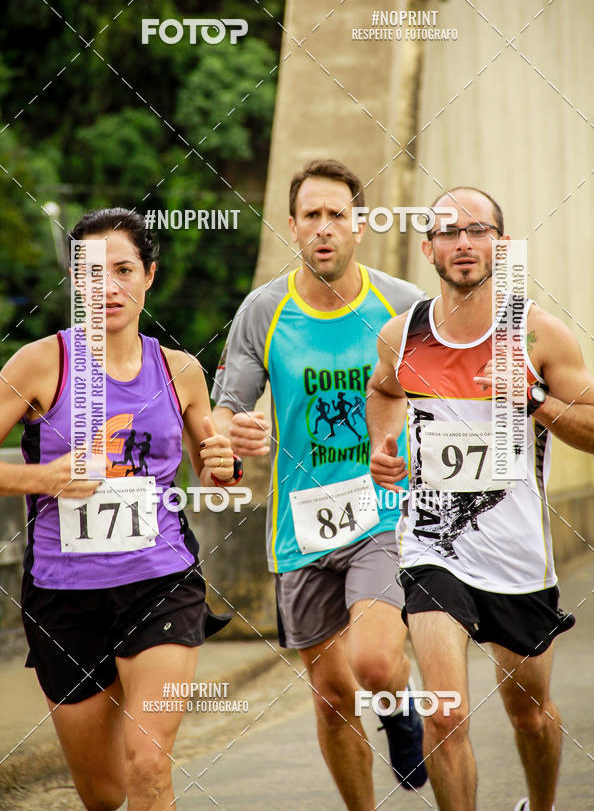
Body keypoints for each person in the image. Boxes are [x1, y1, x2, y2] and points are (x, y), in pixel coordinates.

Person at [367, 186, 594, 811]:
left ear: (500, 243)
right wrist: (383, 444)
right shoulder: (402, 334)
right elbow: (384, 390)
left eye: (477, 230)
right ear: (428, 247)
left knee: (530, 716)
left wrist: (535, 402)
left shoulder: (540, 335)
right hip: (432, 548)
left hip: (518, 557)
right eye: (449, 232)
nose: (463, 243)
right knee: (447, 718)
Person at [0, 208, 239, 811]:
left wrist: (230, 456)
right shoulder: (38, 363)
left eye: (123, 269)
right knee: (104, 794)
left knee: (148, 764)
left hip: (160, 581)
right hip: (63, 595)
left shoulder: (180, 370)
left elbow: (216, 472)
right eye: (90, 272)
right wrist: (43, 476)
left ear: (148, 276)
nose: (107, 286)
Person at [212, 159, 428, 808]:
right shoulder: (263, 312)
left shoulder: (403, 304)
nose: (325, 228)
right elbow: (225, 416)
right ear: (292, 227)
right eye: (312, 216)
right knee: (332, 699)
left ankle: (401, 709)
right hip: (300, 525)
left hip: (383, 510)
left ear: (359, 226)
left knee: (377, 664)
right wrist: (232, 438)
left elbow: (446, 398)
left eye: (338, 214)